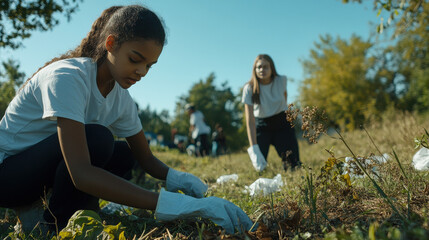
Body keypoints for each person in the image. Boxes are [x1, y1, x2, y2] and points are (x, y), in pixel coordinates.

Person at [0, 5, 253, 234]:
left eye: (149, 66)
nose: (141, 72)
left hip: (45, 171)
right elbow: (80, 173)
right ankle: (50, 223)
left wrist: (182, 181)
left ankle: (76, 210)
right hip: (8, 176)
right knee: (98, 139)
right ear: (110, 43)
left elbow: (146, 159)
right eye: (135, 59)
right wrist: (181, 205)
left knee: (123, 153)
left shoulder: (121, 97)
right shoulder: (68, 77)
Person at [242, 54, 301, 172]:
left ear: (271, 68)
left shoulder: (281, 80)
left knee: (293, 164)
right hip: (261, 125)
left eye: (265, 67)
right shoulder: (249, 88)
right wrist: (253, 147)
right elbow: (250, 120)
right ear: (255, 70)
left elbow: (285, 101)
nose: (262, 70)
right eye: (259, 67)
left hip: (281, 122)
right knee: (260, 167)